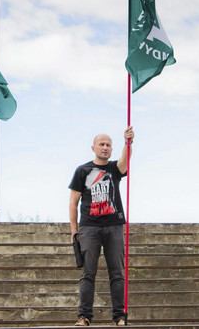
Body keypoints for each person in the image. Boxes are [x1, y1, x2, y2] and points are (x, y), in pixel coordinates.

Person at [69, 126, 134, 326]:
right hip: (90, 228)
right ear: (93, 148)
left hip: (114, 226)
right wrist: (74, 232)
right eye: (102, 144)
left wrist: (128, 143)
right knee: (88, 273)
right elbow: (73, 202)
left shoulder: (114, 169)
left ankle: (119, 317)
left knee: (117, 274)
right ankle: (84, 316)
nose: (105, 148)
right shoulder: (82, 171)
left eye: (108, 145)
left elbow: (125, 162)